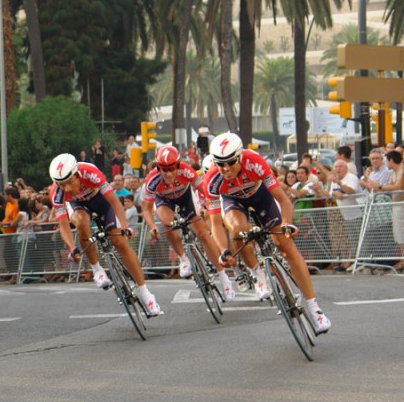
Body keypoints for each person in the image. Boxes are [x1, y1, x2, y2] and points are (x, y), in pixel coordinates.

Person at [203, 132, 330, 334]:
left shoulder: (254, 161)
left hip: (261, 198)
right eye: (220, 164)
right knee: (238, 230)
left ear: (240, 156)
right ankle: (257, 273)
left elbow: (283, 199)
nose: (226, 169)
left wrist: (287, 224)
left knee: (286, 246)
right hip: (233, 203)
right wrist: (223, 250)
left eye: (231, 162)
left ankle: (314, 309)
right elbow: (216, 224)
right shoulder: (211, 180)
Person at [48, 153, 161, 315]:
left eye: (69, 183)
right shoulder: (56, 192)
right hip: (78, 206)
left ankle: (145, 293)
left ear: (77, 174)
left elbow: (114, 201)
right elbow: (63, 224)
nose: (66, 189)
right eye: (61, 185)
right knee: (81, 222)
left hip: (100, 201)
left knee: (120, 242)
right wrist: (72, 248)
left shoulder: (90, 173)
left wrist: (125, 226)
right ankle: (97, 269)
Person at [141, 146, 235, 299]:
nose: (169, 173)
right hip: (164, 201)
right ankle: (183, 258)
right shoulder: (152, 179)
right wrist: (152, 226)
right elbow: (146, 209)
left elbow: (204, 190)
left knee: (203, 234)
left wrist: (205, 206)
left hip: (186, 198)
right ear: (158, 168)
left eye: (172, 168)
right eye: (164, 169)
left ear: (178, 165)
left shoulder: (187, 171)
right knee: (167, 223)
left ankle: (223, 276)